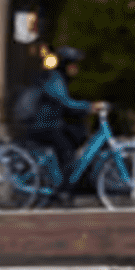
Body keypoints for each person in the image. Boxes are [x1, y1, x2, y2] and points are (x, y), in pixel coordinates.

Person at [25, 47, 97, 203]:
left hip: (50, 124)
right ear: (66, 64)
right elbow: (65, 103)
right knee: (67, 153)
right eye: (73, 64)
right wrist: (89, 106)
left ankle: (63, 186)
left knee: (74, 140)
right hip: (44, 125)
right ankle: (62, 192)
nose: (76, 68)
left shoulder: (59, 78)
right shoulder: (55, 79)